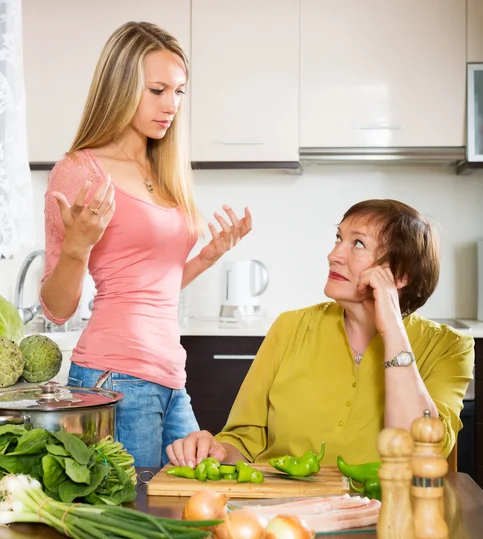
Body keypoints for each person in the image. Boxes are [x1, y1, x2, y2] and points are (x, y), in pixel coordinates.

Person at [40, 22, 252, 468]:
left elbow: (151, 287)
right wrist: (77, 247)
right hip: (116, 375)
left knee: (194, 500)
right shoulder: (82, 170)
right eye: (157, 90)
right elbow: (55, 308)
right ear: (120, 87)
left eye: (178, 92)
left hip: (172, 377)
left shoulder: (163, 168)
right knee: (141, 519)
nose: (170, 105)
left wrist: (207, 256)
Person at [167, 199, 474, 468]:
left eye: (357, 244)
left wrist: (392, 328)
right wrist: (216, 450)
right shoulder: (291, 327)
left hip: (388, 513)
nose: (334, 254)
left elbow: (422, 453)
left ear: (401, 274)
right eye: (338, 238)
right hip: (284, 508)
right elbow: (244, 440)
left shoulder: (449, 347)